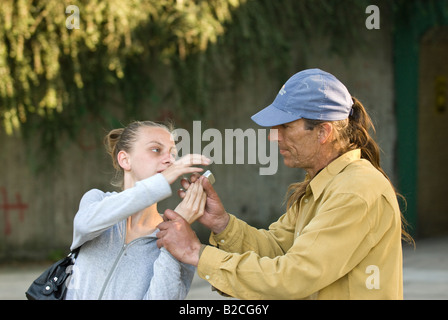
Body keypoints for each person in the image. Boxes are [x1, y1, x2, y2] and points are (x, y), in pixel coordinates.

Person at [156, 68, 412, 300]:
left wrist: (195, 252)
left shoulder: (355, 190)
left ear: (324, 132)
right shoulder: (325, 183)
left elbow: (293, 277)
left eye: (286, 127)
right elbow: (278, 250)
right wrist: (222, 224)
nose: (273, 136)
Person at [65, 120, 210, 300]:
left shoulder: (176, 235)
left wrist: (176, 229)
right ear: (125, 160)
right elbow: (85, 225)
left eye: (173, 154)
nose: (170, 159)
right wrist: (162, 180)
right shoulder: (96, 200)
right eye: (156, 150)